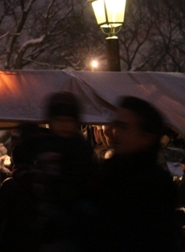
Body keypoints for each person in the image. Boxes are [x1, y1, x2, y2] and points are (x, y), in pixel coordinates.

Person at [93, 96, 180, 252]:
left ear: (147, 137)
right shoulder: (108, 171)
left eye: (123, 127)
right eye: (115, 124)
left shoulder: (153, 187)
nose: (112, 132)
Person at [35, 91, 95, 252]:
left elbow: (83, 178)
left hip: (75, 214)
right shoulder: (48, 143)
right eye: (59, 120)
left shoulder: (80, 147)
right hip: (53, 215)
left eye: (69, 121)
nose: (65, 125)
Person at [0, 144, 39, 252]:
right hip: (37, 238)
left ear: (13, 160)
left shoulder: (10, 184)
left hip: (12, 239)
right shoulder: (42, 183)